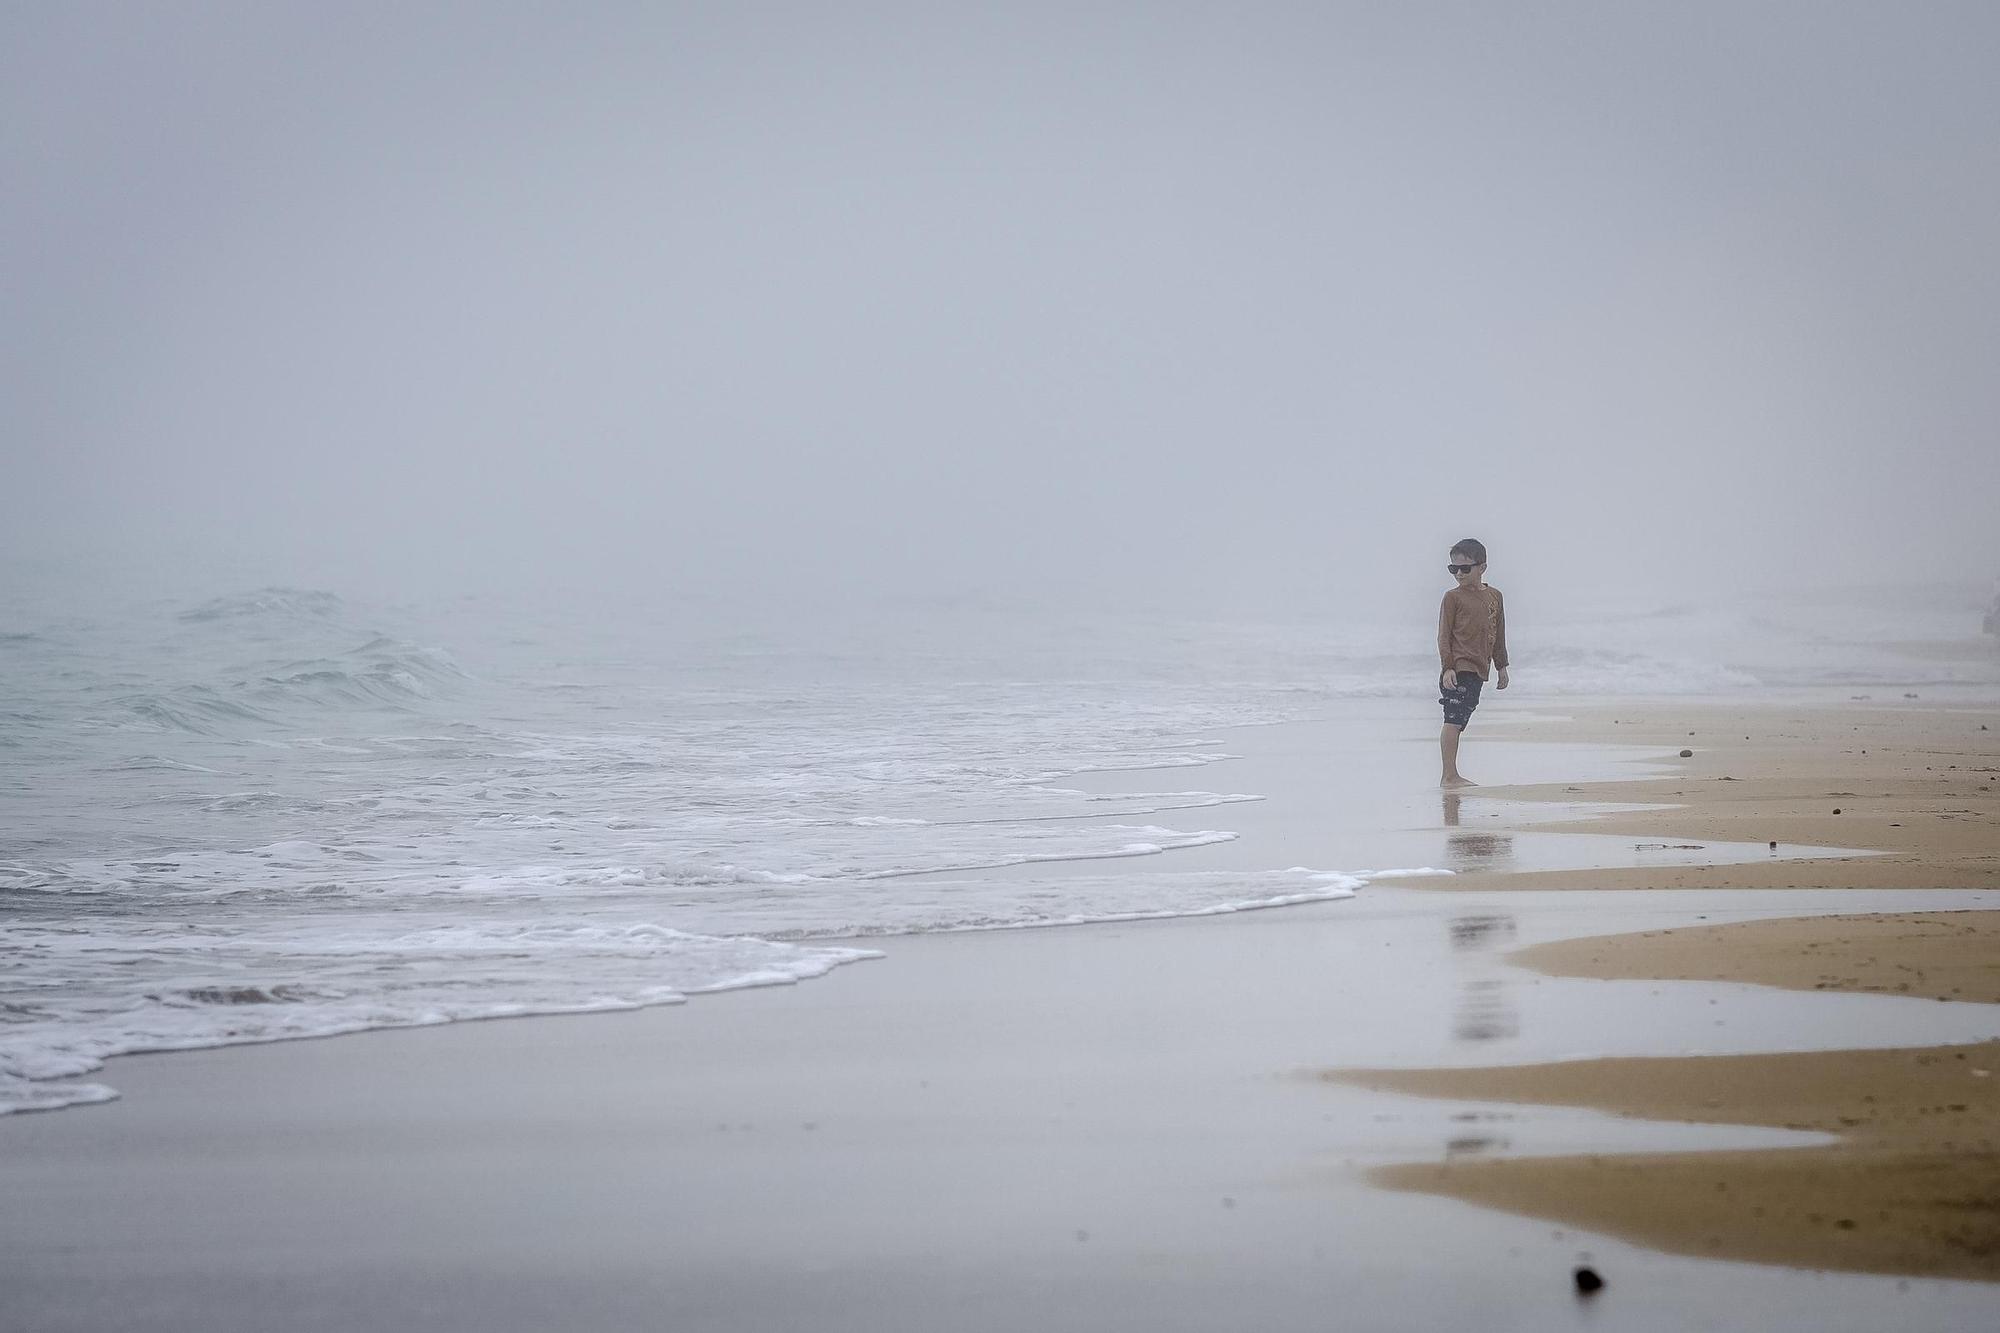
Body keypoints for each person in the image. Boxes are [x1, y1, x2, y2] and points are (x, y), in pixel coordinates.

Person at [1437, 537, 1508, 786]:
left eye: (1464, 568)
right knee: (1453, 720)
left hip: (1479, 669)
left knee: (1461, 721)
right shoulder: (1452, 598)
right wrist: (1447, 667)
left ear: (1482, 567)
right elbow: (1443, 636)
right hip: (1458, 669)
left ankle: (1451, 774)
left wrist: (1502, 666)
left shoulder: (1495, 597)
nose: (1458, 573)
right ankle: (1449, 775)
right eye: (1453, 568)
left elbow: (1498, 633)